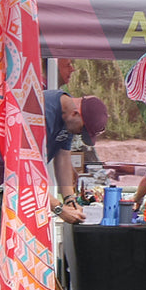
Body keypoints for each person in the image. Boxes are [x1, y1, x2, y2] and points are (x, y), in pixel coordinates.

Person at [43, 89, 108, 224]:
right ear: (75, 113)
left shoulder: (68, 116)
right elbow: (25, 168)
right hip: (2, 182)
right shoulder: (43, 111)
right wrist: (58, 208)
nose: (79, 134)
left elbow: (63, 156)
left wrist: (69, 199)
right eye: (82, 130)